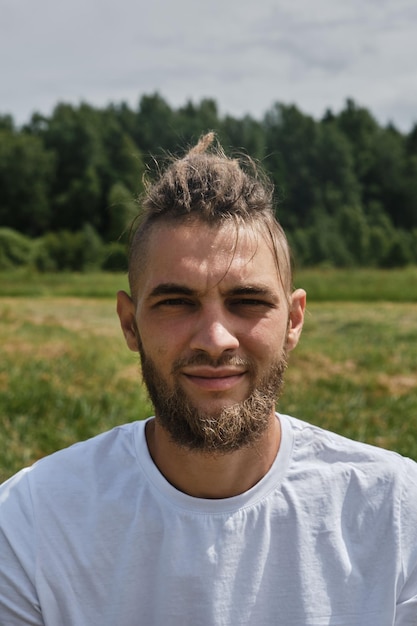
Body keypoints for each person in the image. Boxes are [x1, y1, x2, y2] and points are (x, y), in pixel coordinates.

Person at [1, 133, 417, 626]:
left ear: (294, 320)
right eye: (176, 302)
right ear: (130, 323)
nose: (216, 339)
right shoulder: (32, 522)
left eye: (248, 302)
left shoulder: (396, 514)